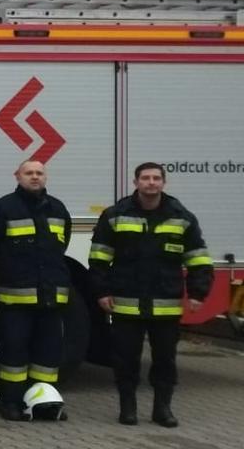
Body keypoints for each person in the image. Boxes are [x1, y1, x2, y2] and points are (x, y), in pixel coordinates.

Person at [91, 162, 212, 428]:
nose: (151, 182)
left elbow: (198, 259)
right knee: (125, 360)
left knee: (165, 361)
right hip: (126, 304)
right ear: (136, 183)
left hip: (165, 305)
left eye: (156, 178)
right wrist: (101, 291)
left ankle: (162, 410)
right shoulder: (115, 215)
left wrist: (197, 293)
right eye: (145, 178)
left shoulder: (182, 217)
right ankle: (128, 409)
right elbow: (99, 258)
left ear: (163, 183)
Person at [0, 160, 73, 422]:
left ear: (46, 177)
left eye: (39, 173)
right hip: (15, 299)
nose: (34, 177)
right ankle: (11, 401)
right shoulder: (3, 208)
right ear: (17, 176)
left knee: (48, 355)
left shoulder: (58, 208)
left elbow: (61, 246)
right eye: (29, 173)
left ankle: (42, 401)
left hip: (50, 298)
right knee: (14, 353)